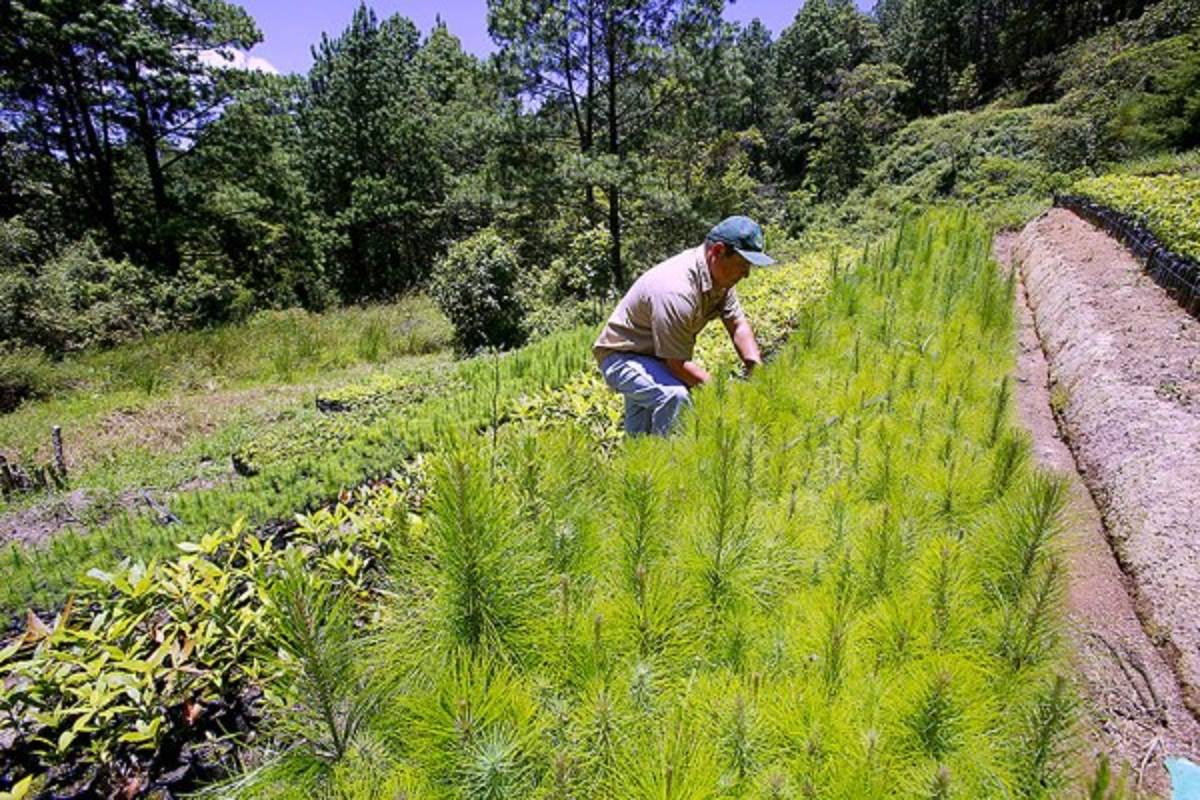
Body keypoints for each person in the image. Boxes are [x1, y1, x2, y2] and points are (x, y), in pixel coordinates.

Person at [593, 215, 776, 436]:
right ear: (718, 251)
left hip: (656, 356)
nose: (746, 274)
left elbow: (737, 324)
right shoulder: (676, 289)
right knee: (674, 397)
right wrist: (723, 392)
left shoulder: (721, 281)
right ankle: (668, 458)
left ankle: (639, 456)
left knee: (640, 439)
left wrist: (756, 370)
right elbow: (677, 365)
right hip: (622, 357)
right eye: (743, 265)